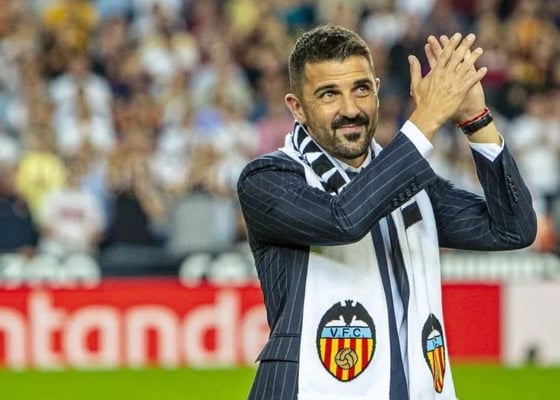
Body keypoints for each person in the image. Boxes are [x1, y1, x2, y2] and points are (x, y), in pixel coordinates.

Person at [237, 25, 537, 400]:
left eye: (361, 89)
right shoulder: (267, 179)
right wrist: (427, 117)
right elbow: (344, 219)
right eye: (329, 94)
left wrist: (475, 120)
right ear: (297, 108)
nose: (350, 109)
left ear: (378, 91)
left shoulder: (410, 184)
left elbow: (512, 228)